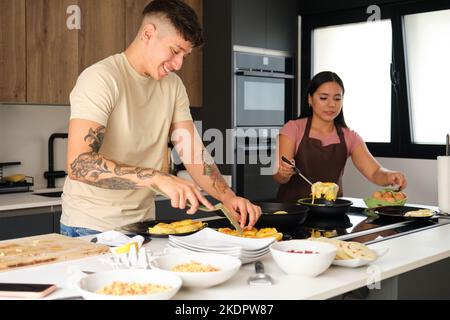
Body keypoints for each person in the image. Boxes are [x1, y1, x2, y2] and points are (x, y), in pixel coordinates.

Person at [60, 0, 261, 237]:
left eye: (184, 56)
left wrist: (228, 196)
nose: (178, 64)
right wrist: (157, 178)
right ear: (148, 34)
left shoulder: (173, 86)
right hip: (90, 226)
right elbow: (78, 164)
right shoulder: (101, 78)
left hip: (143, 224)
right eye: (175, 51)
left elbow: (193, 153)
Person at [273, 71, 407, 202]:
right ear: (310, 99)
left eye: (337, 98)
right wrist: (284, 172)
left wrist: (389, 175)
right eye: (323, 98)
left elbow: (375, 172)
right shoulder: (293, 128)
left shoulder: (350, 136)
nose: (332, 104)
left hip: (332, 212)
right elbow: (279, 177)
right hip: (293, 212)